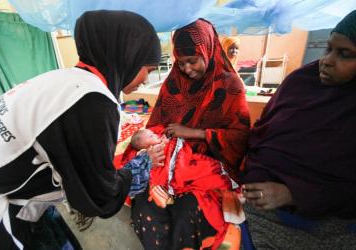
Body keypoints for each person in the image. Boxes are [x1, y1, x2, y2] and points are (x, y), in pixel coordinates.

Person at [0, 10, 161, 250]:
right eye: (148, 68)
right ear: (128, 56)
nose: (147, 80)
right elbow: (98, 199)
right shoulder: (93, 102)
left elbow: (67, 147)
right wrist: (141, 165)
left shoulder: (65, 80)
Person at [123, 19, 250, 250]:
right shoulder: (174, 83)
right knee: (145, 206)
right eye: (180, 63)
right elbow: (154, 125)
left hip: (207, 170)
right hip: (166, 166)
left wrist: (196, 133)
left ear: (208, 50)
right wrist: (152, 144)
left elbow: (239, 138)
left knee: (187, 214)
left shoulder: (230, 86)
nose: (186, 69)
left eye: (192, 61)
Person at [241, 10, 356, 249]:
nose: (327, 60)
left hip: (327, 225)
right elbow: (261, 137)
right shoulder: (300, 83)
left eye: (345, 54)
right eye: (328, 49)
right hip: (259, 205)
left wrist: (293, 194)